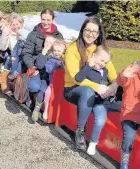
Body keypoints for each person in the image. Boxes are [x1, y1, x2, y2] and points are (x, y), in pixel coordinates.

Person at [64, 16, 119, 152]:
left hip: (94, 91)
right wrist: (98, 87)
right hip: (73, 88)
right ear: (82, 30)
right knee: (87, 91)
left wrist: (115, 85)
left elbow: (112, 74)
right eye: (87, 30)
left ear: (99, 34)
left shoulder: (99, 50)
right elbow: (76, 78)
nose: (90, 34)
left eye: (94, 32)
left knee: (116, 94)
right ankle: (80, 131)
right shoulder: (72, 49)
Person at [74, 45, 122, 155]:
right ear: (94, 56)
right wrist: (89, 65)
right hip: (96, 101)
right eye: (101, 60)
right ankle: (93, 142)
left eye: (105, 62)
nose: (103, 64)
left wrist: (111, 89)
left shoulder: (104, 70)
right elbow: (78, 78)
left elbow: (110, 81)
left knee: (123, 106)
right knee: (100, 119)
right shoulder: (87, 69)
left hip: (107, 99)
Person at [22, 8, 63, 100]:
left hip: (52, 68)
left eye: (48, 20)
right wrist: (32, 66)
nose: (45, 22)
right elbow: (27, 52)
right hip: (37, 67)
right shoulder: (33, 35)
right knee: (34, 87)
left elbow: (62, 52)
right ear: (40, 19)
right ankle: (32, 97)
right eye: (43, 19)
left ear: (52, 20)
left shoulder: (58, 36)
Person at [32, 38, 67, 122]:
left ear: (63, 51)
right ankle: (37, 108)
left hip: (57, 83)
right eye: (55, 50)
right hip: (48, 80)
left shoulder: (63, 61)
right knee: (43, 91)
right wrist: (56, 66)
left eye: (59, 51)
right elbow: (49, 70)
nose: (57, 52)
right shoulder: (51, 60)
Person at [0, 12, 29, 94]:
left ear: (21, 23)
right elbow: (1, 47)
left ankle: (20, 88)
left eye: (17, 24)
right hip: (13, 56)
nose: (15, 27)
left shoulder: (26, 33)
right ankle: (4, 83)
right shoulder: (9, 34)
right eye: (13, 24)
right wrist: (5, 35)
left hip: (24, 56)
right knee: (9, 59)